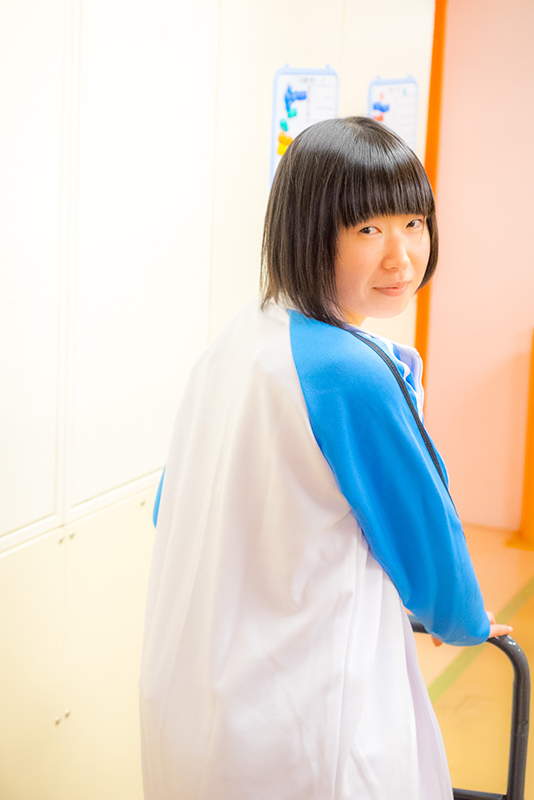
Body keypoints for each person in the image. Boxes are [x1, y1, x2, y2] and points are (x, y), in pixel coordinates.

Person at [139, 116, 512, 800]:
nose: (401, 257)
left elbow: (174, 506)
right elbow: (424, 534)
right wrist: (462, 620)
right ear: (308, 233)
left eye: (414, 223)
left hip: (200, 708)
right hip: (307, 718)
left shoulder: (237, 342)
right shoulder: (348, 372)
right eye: (367, 229)